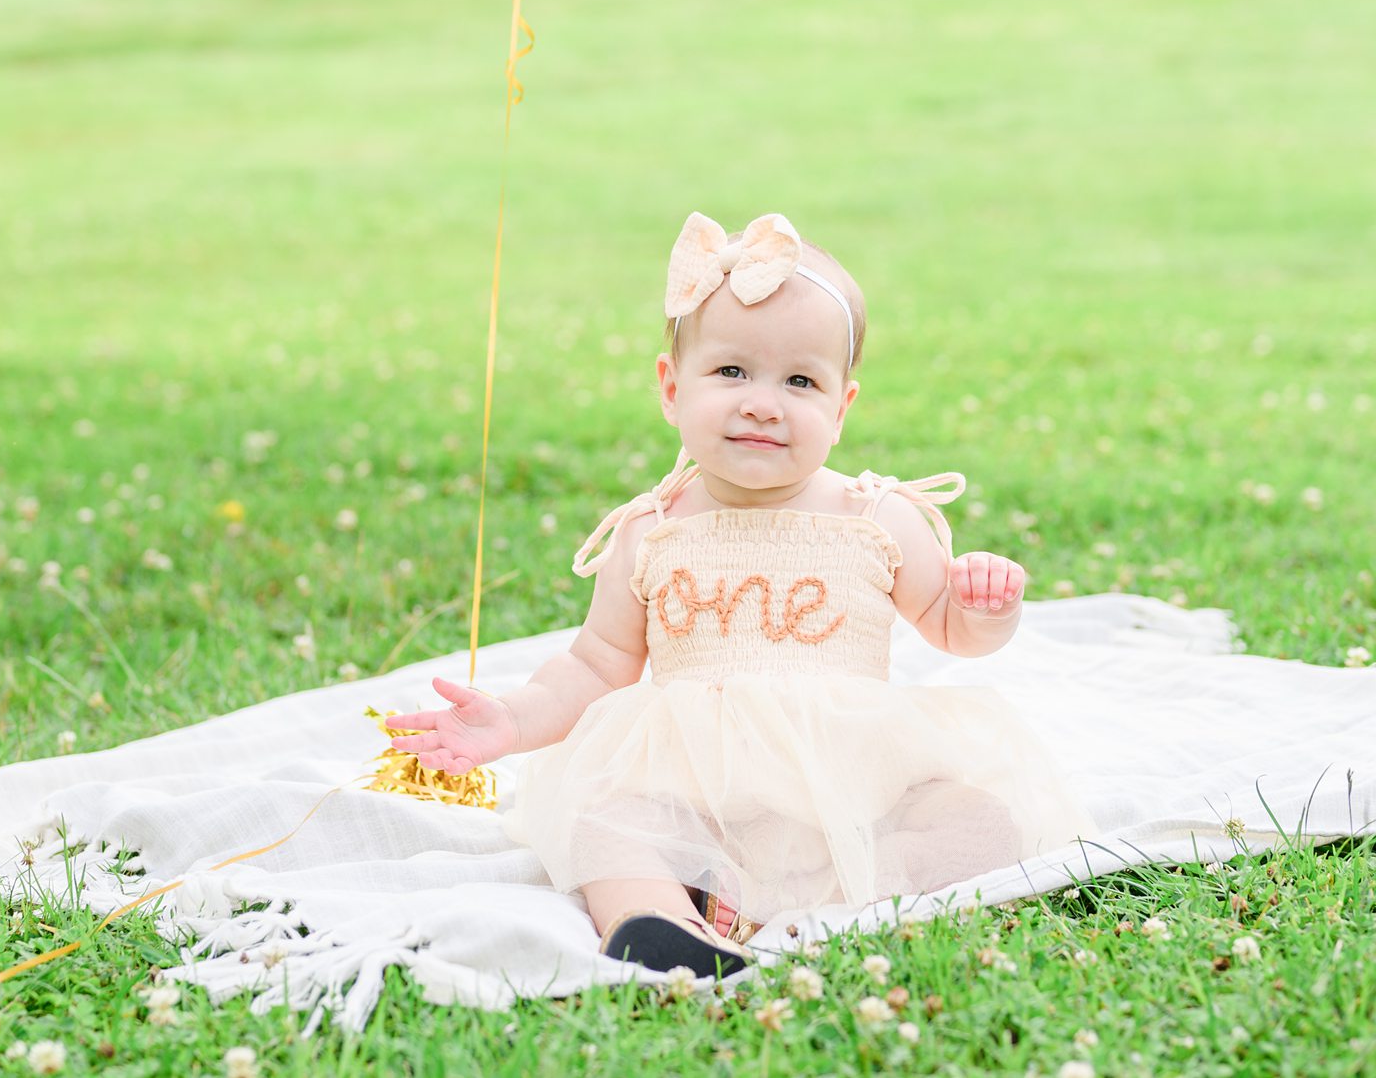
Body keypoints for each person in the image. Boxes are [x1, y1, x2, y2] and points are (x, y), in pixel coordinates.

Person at [380, 212, 1098, 974]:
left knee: (979, 820)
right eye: (731, 372)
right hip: (693, 794)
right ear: (670, 387)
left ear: (842, 406)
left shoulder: (875, 516)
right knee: (603, 821)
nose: (763, 402)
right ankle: (658, 919)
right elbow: (596, 664)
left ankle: (829, 904)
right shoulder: (652, 531)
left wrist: (988, 608)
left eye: (799, 381)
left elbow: (949, 625)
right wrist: (514, 720)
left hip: (851, 790)